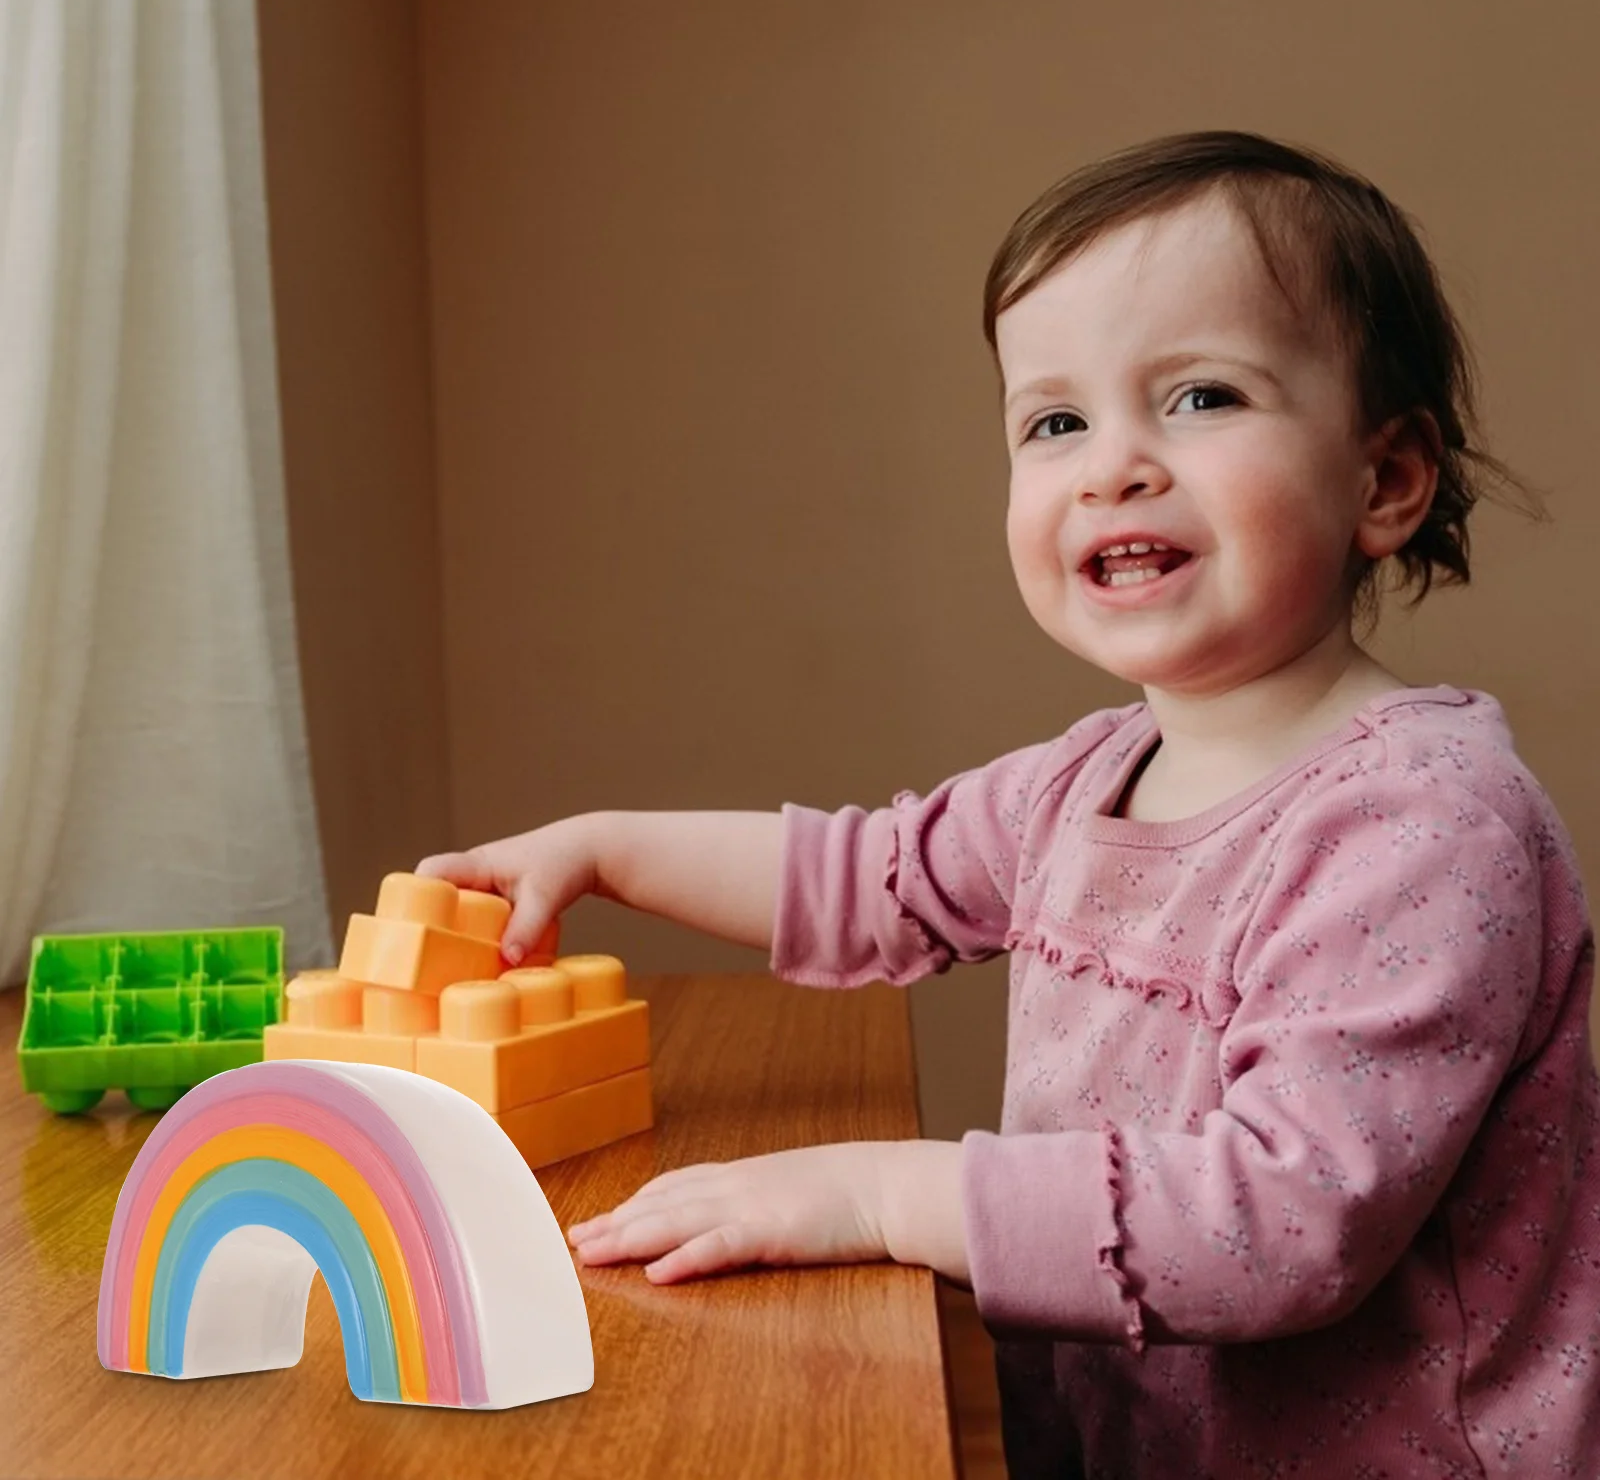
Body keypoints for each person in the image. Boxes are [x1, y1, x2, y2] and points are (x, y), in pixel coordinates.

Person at [418, 131, 1600, 1477]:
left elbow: (1286, 1215)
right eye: (1056, 422)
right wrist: (602, 849)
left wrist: (875, 1193)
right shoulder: (1085, 780)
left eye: (1202, 398)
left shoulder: (1424, 825)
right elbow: (867, 876)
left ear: (1384, 481)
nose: (1114, 467)